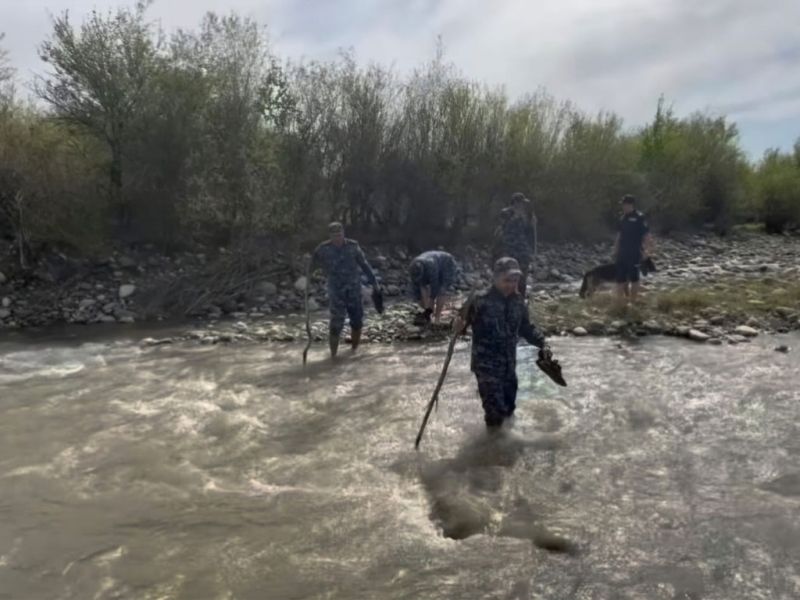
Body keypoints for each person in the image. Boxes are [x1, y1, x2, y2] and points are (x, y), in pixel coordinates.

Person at [453, 257, 550, 431]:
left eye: (515, 280)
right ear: (495, 278)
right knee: (495, 416)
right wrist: (457, 326)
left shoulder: (518, 301)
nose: (512, 284)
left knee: (509, 411)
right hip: (486, 367)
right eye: (507, 280)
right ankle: (491, 452)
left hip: (509, 366)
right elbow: (457, 327)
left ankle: (504, 453)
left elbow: (526, 328)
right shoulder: (478, 300)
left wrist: (543, 343)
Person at [310, 222, 378, 357]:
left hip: (354, 289)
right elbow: (311, 265)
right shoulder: (323, 249)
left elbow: (364, 264)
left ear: (343, 234)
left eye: (340, 235)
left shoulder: (353, 246)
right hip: (336, 291)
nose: (338, 238)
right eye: (335, 236)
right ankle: (333, 356)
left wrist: (374, 282)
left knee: (357, 321)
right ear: (330, 236)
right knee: (336, 323)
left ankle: (354, 351)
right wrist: (308, 278)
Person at [613, 195, 653, 302]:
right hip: (622, 253)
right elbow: (619, 235)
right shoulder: (622, 218)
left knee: (634, 278)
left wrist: (647, 251)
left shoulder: (639, 217)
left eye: (624, 204)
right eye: (622, 204)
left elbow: (647, 235)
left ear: (630, 204)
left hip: (635, 252)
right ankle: (619, 302)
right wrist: (615, 249)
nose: (623, 207)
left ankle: (633, 301)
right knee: (620, 278)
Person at [497, 192, 537, 297]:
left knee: (522, 277)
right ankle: (507, 299)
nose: (522, 205)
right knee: (508, 276)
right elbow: (503, 229)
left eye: (523, 203)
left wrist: (532, 251)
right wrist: (515, 216)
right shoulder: (506, 213)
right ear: (514, 203)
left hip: (523, 251)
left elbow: (530, 234)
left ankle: (520, 301)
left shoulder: (527, 214)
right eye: (520, 203)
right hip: (509, 249)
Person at [409, 250, 458, 324]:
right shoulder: (413, 267)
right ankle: (428, 316)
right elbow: (419, 286)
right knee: (422, 285)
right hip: (432, 265)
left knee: (441, 290)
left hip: (446, 264)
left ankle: (437, 318)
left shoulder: (431, 265)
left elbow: (434, 285)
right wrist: (426, 308)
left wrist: (431, 303)